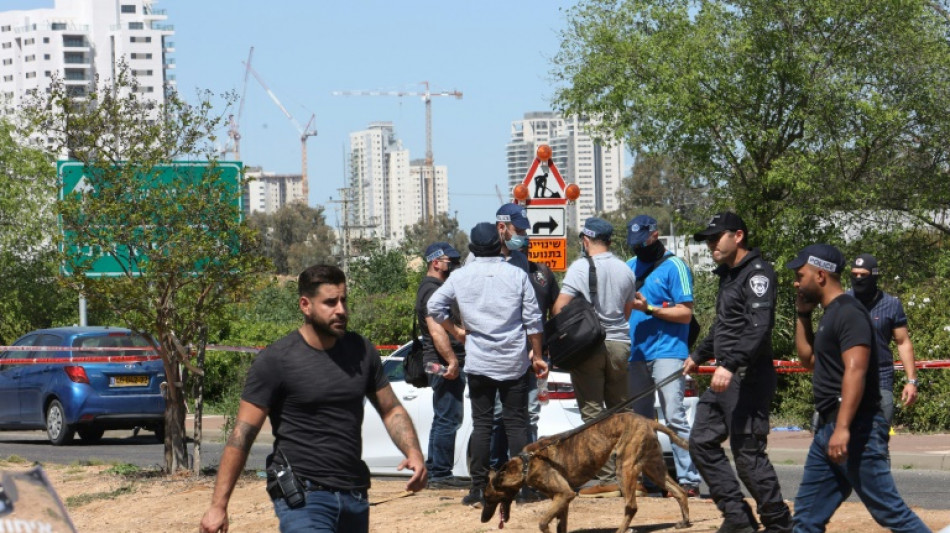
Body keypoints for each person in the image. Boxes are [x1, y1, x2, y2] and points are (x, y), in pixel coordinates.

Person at [199, 265, 426, 533]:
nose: (341, 310)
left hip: (354, 493)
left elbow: (390, 409)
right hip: (304, 496)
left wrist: (413, 452)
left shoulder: (361, 351)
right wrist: (218, 505)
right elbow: (242, 434)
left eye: (343, 300)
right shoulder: (277, 360)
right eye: (330, 302)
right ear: (305, 305)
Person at [787, 244, 929, 533]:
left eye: (801, 276)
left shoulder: (849, 312)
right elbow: (808, 360)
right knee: (806, 517)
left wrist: (842, 428)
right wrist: (803, 315)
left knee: (891, 513)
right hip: (828, 428)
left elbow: (857, 370)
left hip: (856, 429)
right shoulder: (831, 313)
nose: (796, 283)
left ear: (821, 275)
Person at [683, 212, 791, 533]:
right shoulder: (729, 275)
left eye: (716, 238)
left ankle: (779, 524)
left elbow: (759, 327)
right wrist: (698, 355)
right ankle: (738, 517)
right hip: (725, 378)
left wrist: (730, 364)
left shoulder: (758, 274)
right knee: (701, 442)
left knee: (747, 454)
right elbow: (724, 325)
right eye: (708, 240)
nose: (711, 245)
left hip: (749, 377)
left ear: (738, 236)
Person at [427, 222, 548, 508]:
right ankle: (524, 490)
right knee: (516, 424)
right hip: (513, 361)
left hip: (479, 361)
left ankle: (479, 489)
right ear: (498, 244)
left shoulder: (460, 276)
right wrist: (537, 355)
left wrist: (457, 330)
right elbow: (533, 320)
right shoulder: (517, 275)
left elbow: (434, 307)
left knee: (482, 425)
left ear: (473, 248)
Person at [552, 217, 637, 498]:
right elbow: (627, 311)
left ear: (586, 240)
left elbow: (560, 308)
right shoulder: (626, 269)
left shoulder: (580, 267)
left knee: (593, 412)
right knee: (621, 412)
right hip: (620, 344)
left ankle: (606, 478)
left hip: (589, 347)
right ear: (609, 241)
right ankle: (629, 475)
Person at [625, 215, 702, 497]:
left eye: (642, 242)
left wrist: (649, 309)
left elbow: (686, 313)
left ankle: (689, 481)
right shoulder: (629, 266)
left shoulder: (675, 266)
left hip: (668, 352)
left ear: (655, 235)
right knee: (641, 423)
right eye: (634, 244)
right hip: (636, 353)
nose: (638, 248)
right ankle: (651, 479)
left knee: (674, 416)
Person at [416, 242, 468, 489]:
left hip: (440, 361)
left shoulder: (436, 288)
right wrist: (452, 361)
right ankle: (440, 474)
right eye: (451, 261)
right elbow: (437, 331)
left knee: (444, 417)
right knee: (448, 417)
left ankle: (436, 470)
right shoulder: (431, 290)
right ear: (436, 262)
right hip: (442, 362)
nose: (454, 265)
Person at [847, 253, 919, 425]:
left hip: (880, 379)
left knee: (878, 435)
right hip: (847, 378)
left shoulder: (891, 305)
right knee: (842, 435)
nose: (858, 279)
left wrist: (911, 381)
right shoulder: (843, 302)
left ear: (874, 275)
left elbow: (903, 342)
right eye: (854, 274)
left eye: (863, 275)